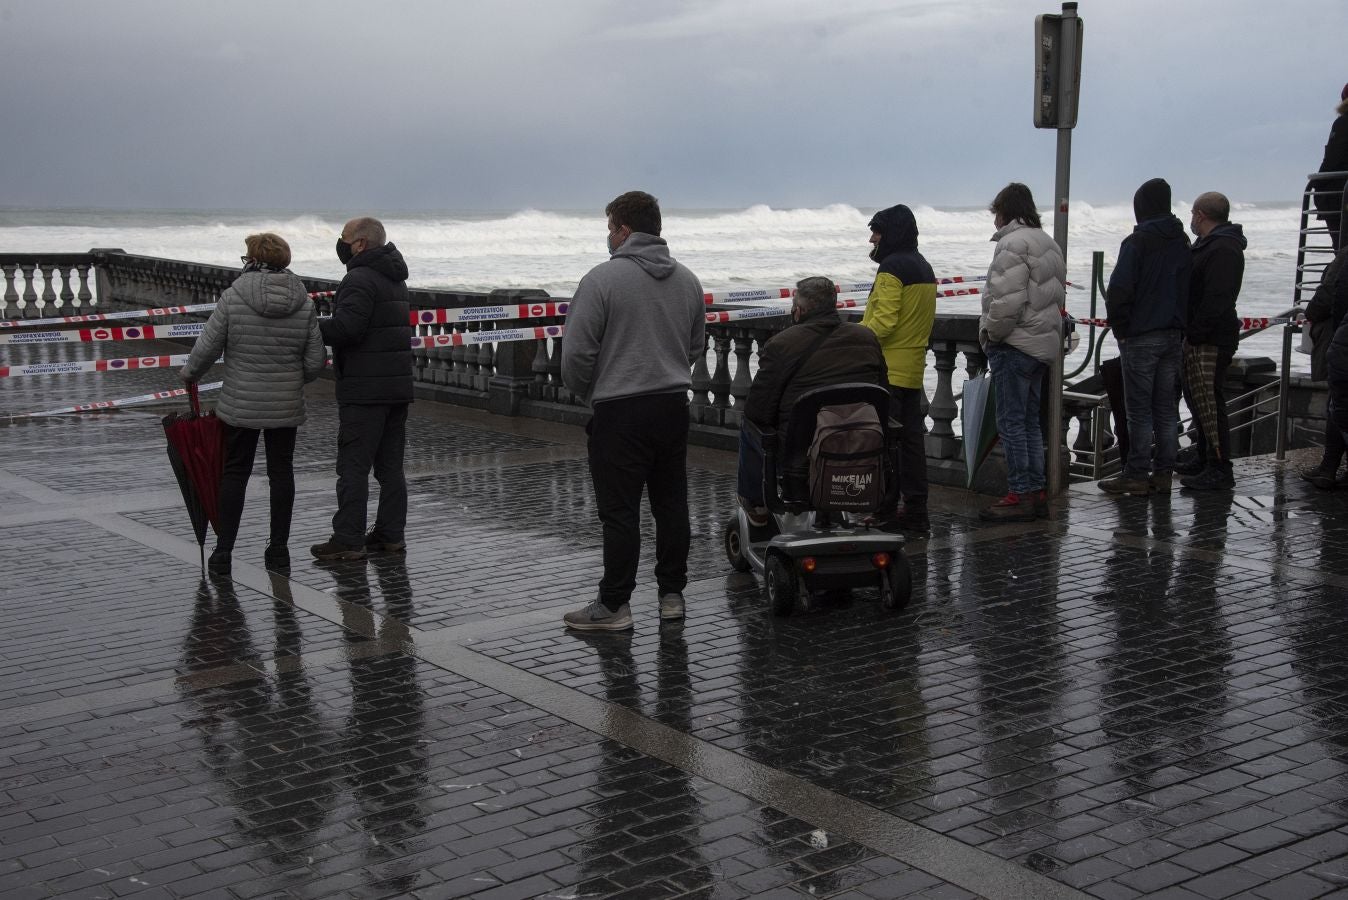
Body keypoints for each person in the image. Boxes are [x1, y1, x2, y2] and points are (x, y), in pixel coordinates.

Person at [560, 191, 705, 631]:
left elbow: (576, 354)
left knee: (619, 511)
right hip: (671, 406)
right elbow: (695, 345)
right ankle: (672, 595)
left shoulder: (602, 280)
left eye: (610, 228)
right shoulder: (688, 281)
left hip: (619, 410)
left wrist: (592, 392)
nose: (608, 237)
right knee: (671, 503)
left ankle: (614, 604)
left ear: (624, 230)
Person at [179, 232, 326, 575]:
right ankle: (279, 551)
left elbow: (208, 346)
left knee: (235, 473)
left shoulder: (234, 297)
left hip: (240, 403)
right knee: (281, 473)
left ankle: (224, 551)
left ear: (251, 258)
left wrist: (190, 374)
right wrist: (292, 379)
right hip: (286, 404)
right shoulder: (303, 302)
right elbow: (316, 360)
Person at [737, 276, 889, 523]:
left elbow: (758, 411)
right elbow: (883, 394)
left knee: (750, 425)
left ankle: (756, 504)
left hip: (799, 453)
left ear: (800, 310)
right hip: (862, 445)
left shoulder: (782, 344)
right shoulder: (866, 337)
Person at [310, 217, 414, 561]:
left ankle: (348, 537)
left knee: (353, 466)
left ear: (360, 244)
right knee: (390, 468)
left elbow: (348, 329)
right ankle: (389, 534)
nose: (340, 243)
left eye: (344, 238)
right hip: (396, 386)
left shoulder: (358, 278)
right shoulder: (395, 277)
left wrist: (311, 326)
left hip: (365, 389)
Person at [976, 183, 1066, 521]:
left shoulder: (1012, 244)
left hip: (1015, 345)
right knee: (1030, 423)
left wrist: (991, 334)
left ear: (1003, 211)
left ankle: (1020, 493)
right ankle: (1035, 489)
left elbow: (1006, 301)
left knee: (1011, 422)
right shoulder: (1048, 243)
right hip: (1042, 346)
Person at [1100, 177, 1191, 496]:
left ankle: (1137, 472)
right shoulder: (1181, 241)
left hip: (1141, 336)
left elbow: (1120, 289)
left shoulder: (1137, 242)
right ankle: (1164, 471)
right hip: (1173, 334)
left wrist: (1122, 331)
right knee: (1166, 407)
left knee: (1138, 409)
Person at [859, 204, 937, 531]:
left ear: (890, 233)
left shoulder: (891, 268)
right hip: (913, 368)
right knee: (911, 444)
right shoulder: (924, 267)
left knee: (885, 445)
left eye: (876, 231)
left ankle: (885, 510)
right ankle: (917, 508)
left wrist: (858, 338)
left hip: (887, 370)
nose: (872, 239)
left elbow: (886, 321)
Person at [1176, 192, 1245, 491]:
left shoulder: (1223, 248)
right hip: (1201, 335)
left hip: (1211, 339)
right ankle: (1204, 457)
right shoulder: (1209, 246)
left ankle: (1219, 466)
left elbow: (1217, 298)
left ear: (1201, 215)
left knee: (1209, 402)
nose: (1191, 218)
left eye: (1193, 213)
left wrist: (1196, 333)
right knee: (1197, 400)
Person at [1302, 246, 1348, 488]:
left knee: (1337, 406)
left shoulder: (1343, 257)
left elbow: (1330, 294)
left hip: (1339, 340)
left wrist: (1312, 313)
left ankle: (1328, 468)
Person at [1310, 84, 1348, 252]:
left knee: (1342, 250)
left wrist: (1318, 186)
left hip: (1338, 195)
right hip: (1339, 193)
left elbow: (1332, 159)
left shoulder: (1342, 123)